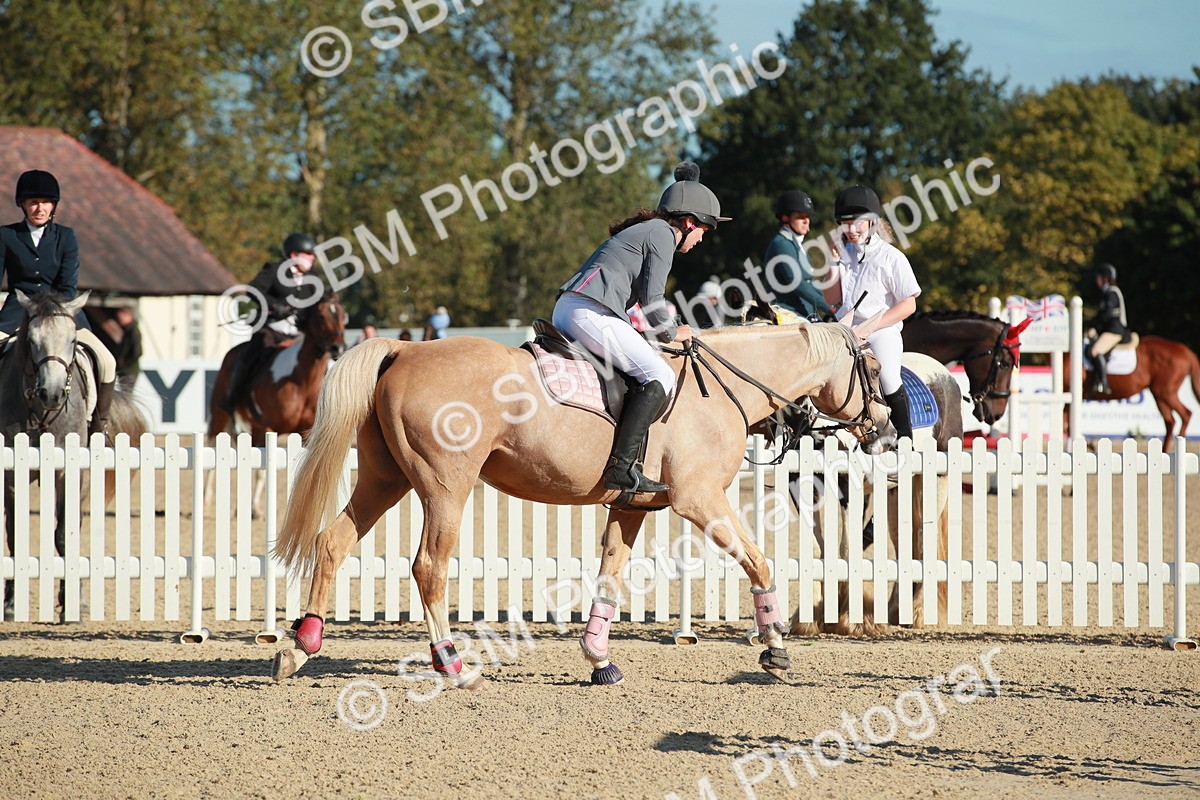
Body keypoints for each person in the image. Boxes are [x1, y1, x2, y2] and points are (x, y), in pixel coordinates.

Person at [552, 161, 727, 495]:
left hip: (574, 308)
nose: (702, 239)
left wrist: (654, 333)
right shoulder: (662, 234)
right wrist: (672, 333)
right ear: (689, 222)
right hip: (589, 311)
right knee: (660, 374)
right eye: (704, 230)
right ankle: (621, 468)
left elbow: (639, 304)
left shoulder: (649, 230)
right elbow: (653, 300)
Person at [0, 170, 116, 437]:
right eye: (33, 202)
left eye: (45, 202)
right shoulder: (6, 235)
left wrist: (55, 310)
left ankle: (99, 426)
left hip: (62, 310)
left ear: (53, 205)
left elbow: (67, 286)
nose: (39, 208)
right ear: (23, 205)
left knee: (107, 360)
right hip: (19, 310)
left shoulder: (66, 236)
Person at [822, 185, 921, 440]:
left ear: (872, 222)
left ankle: (904, 439)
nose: (851, 230)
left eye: (857, 223)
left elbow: (909, 305)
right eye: (845, 224)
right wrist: (832, 261)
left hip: (881, 331)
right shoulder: (845, 255)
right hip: (846, 330)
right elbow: (831, 299)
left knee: (888, 377)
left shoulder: (892, 257)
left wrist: (873, 326)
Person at [219, 232, 318, 413]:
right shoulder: (274, 269)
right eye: (308, 254)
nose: (312, 258)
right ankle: (233, 397)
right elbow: (253, 290)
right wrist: (274, 305)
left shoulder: (313, 278)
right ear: (293, 255)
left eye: (312, 255)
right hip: (271, 329)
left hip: (299, 334)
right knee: (251, 354)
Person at [763, 189, 829, 319]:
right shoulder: (782, 244)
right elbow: (798, 284)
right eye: (800, 217)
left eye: (807, 217)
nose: (806, 221)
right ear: (785, 218)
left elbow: (811, 284)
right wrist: (829, 308)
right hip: (787, 313)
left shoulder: (796, 245)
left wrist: (835, 302)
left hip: (804, 312)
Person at [1085, 263, 1129, 395]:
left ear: (1105, 278)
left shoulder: (1112, 293)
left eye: (1098, 278)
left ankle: (1103, 383)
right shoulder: (1107, 293)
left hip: (1115, 331)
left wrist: (1092, 323)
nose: (1097, 281)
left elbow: (1106, 314)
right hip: (1109, 330)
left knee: (1095, 351)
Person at [95, 305, 143, 389]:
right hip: (125, 370)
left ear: (128, 315)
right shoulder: (127, 330)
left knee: (126, 393)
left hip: (129, 371)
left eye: (122, 315)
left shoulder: (133, 331)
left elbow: (137, 351)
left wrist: (124, 363)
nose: (119, 318)